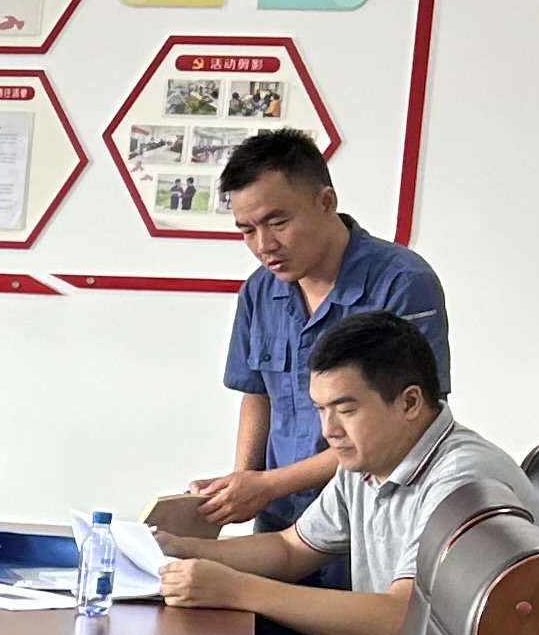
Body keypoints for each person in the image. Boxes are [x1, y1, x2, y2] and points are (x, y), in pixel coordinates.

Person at [149, 311, 530, 635]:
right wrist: (177, 548)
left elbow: (400, 618)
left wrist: (237, 590)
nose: (328, 430)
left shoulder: (463, 480)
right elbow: (290, 549)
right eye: (320, 410)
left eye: (345, 410)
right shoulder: (364, 462)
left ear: (409, 403)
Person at [184, 129, 449, 535]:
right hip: (278, 521)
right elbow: (257, 394)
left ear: (326, 202)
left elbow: (410, 424)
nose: (264, 245)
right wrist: (239, 483)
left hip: (365, 521)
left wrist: (267, 485)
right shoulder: (259, 290)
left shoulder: (402, 283)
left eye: (278, 222)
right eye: (247, 230)